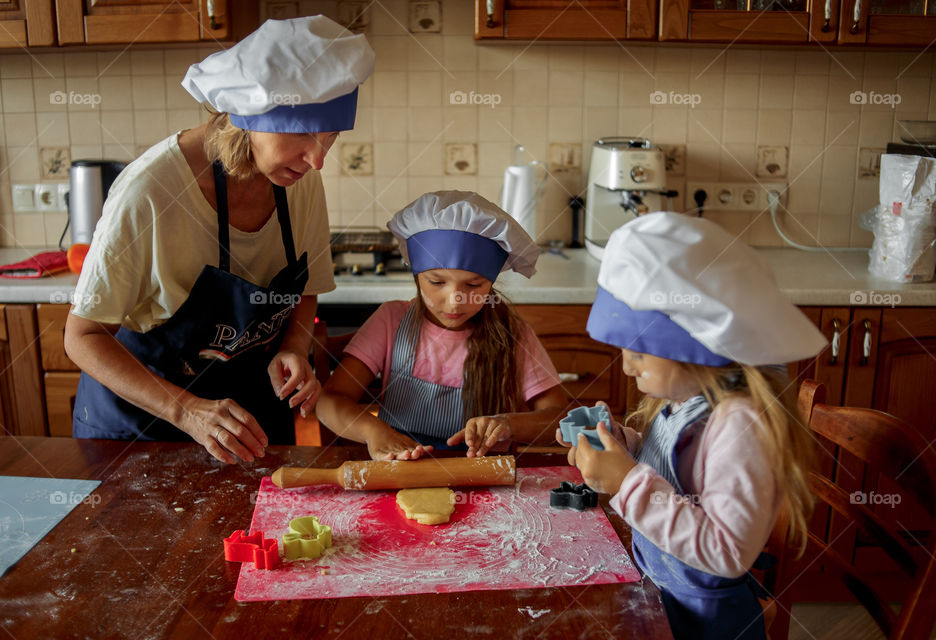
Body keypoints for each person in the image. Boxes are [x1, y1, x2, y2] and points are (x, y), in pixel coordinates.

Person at [64, 17, 375, 464]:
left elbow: (305, 292)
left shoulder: (299, 179)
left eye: (330, 138)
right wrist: (186, 410)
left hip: (247, 421)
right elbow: (83, 335)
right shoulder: (151, 190)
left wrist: (292, 348)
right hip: (143, 430)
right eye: (305, 133)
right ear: (250, 113)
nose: (318, 160)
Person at [558, 212, 827, 640]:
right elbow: (681, 471)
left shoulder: (742, 426)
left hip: (705, 624)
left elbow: (726, 551)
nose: (626, 366)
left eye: (640, 352)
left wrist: (626, 481)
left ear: (693, 346)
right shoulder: (686, 399)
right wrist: (622, 446)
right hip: (662, 595)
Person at [316, 191, 568, 460]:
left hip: (483, 479)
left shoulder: (513, 335)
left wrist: (508, 424)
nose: (454, 303)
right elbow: (331, 401)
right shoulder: (391, 321)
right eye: (436, 283)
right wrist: (373, 431)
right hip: (402, 469)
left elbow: (558, 418)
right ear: (416, 277)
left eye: (473, 285)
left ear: (491, 283)